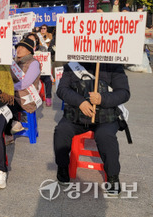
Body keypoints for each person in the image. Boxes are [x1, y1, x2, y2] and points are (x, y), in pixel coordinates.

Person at [54, 62, 130, 195]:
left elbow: (124, 93)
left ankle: (113, 177)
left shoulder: (114, 65)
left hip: (106, 117)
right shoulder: (71, 66)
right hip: (77, 116)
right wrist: (80, 101)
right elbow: (62, 89)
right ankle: (62, 167)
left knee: (105, 136)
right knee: (62, 130)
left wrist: (102, 98)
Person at [9, 38, 41, 134]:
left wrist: (10, 88)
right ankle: (10, 127)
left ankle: (12, 127)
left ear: (29, 50)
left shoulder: (34, 63)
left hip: (26, 98)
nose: (19, 49)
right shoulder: (14, 63)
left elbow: (26, 82)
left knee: (4, 102)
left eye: (22, 47)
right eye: (18, 47)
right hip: (14, 95)